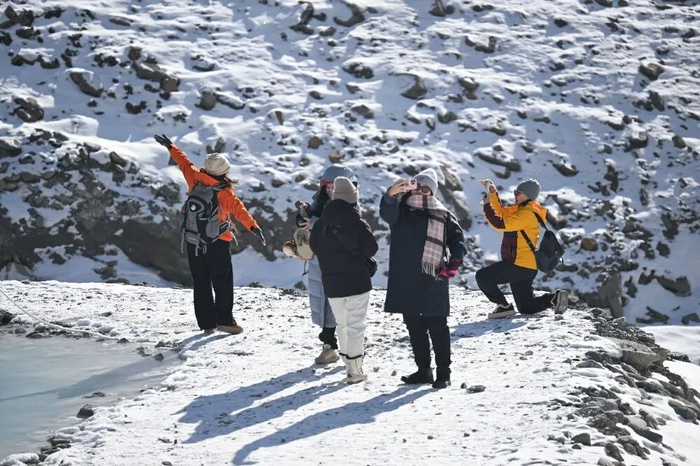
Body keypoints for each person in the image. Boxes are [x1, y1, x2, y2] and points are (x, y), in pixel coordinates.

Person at [154, 134, 266, 334]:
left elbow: (183, 162)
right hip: (218, 241)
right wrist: (254, 227)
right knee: (222, 282)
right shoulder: (224, 192)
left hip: (193, 240)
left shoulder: (194, 177)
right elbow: (239, 211)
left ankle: (206, 324)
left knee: (201, 282)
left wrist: (171, 147)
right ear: (224, 172)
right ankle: (225, 321)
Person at [380, 168, 467, 389]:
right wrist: (391, 194)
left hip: (433, 276)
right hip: (406, 277)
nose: (420, 191)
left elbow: (457, 240)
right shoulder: (401, 210)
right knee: (414, 326)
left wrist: (455, 261)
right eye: (416, 186)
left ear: (432, 192)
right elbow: (387, 213)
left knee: (438, 326)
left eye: (425, 188)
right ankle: (423, 371)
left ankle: (443, 373)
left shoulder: (442, 214)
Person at [309, 177, 378, 383]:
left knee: (342, 324)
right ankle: (354, 370)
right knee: (356, 325)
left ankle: (349, 364)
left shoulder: (320, 224)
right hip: (357, 281)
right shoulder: (357, 222)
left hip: (331, 283)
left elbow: (315, 248)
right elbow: (371, 248)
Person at [476, 178, 568, 319]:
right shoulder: (520, 210)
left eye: (518, 192)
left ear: (527, 194)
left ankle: (503, 306)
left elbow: (499, 223)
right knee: (526, 307)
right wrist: (492, 192)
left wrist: (487, 206)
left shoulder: (526, 214)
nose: (515, 195)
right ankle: (554, 299)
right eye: (515, 192)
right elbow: (501, 212)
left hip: (519, 264)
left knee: (483, 277)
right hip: (527, 267)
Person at [296, 165, 358, 365]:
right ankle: (330, 346)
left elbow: (340, 228)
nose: (330, 190)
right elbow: (314, 218)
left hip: (340, 262)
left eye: (334, 186)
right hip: (320, 259)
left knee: (337, 305)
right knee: (324, 303)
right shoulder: (320, 201)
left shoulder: (351, 206)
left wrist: (314, 222)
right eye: (327, 186)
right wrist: (304, 215)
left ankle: (342, 348)